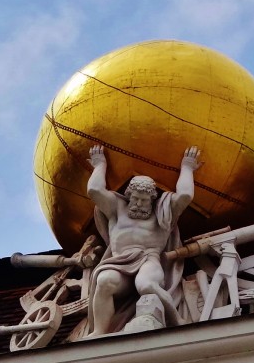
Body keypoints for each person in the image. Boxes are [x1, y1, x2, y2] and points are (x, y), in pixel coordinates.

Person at [86, 144, 200, 336]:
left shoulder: (163, 213)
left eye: (144, 200)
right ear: (129, 195)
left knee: (145, 285)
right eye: (135, 199)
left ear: (153, 199)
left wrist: (187, 167)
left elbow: (185, 195)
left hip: (149, 259)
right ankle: (99, 331)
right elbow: (94, 190)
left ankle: (176, 320)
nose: (138, 204)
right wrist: (100, 164)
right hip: (119, 262)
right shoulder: (116, 208)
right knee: (105, 282)